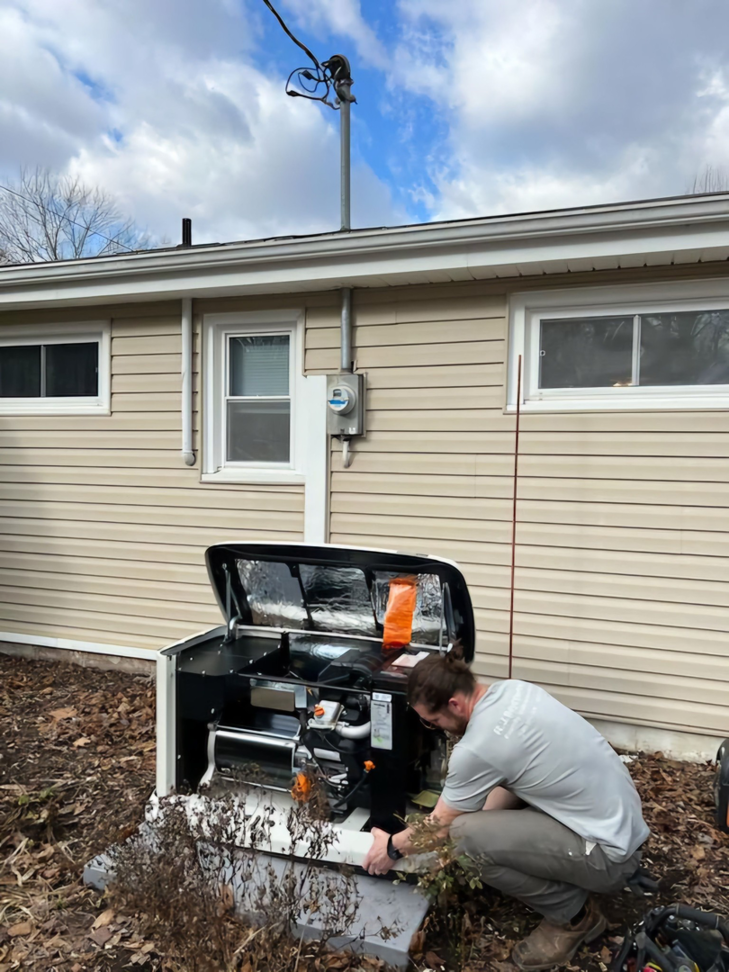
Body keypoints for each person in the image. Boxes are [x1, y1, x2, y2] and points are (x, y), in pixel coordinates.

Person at [363, 650, 650, 972]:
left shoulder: (479, 746)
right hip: (621, 823)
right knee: (473, 829)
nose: (433, 728)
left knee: (463, 837)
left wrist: (389, 847)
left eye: (432, 721)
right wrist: (482, 823)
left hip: (610, 856)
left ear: (455, 704)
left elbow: (439, 828)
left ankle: (574, 916)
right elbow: (506, 778)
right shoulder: (514, 691)